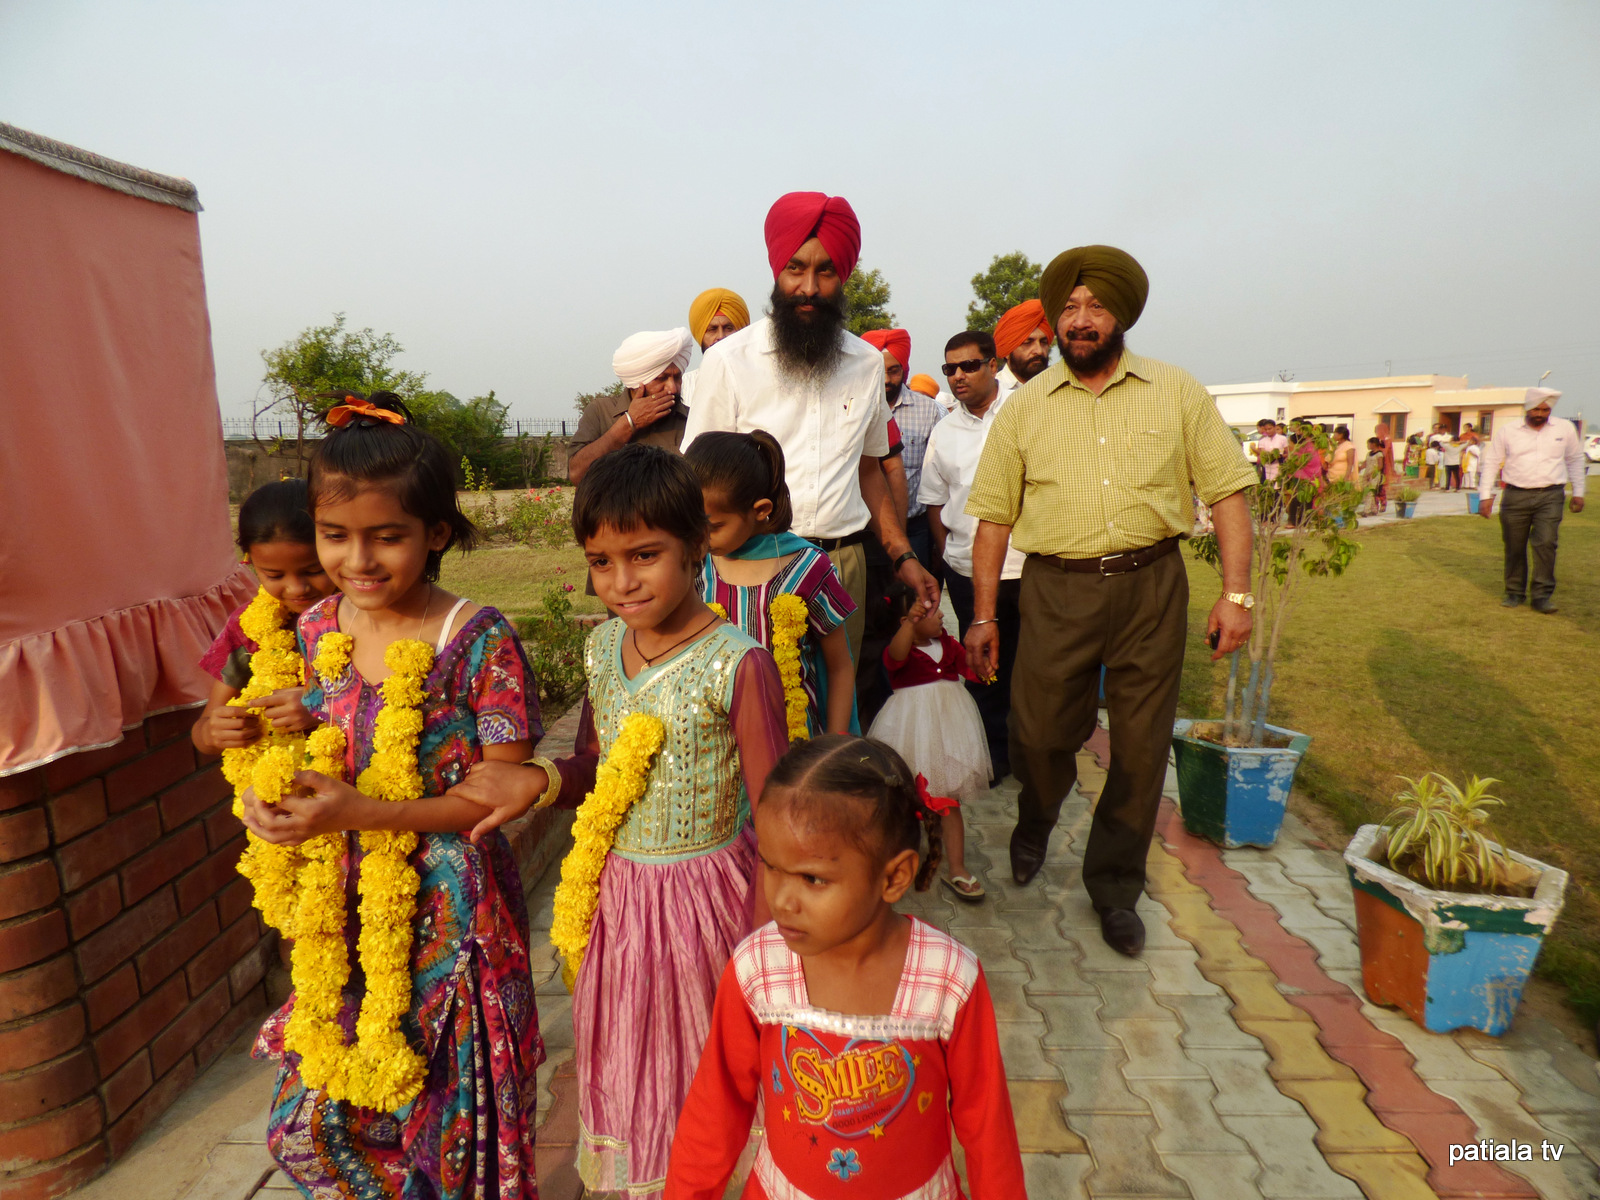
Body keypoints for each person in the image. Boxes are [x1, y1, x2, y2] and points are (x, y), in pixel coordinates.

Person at [241, 393, 545, 1199]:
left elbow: (496, 795)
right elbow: (317, 741)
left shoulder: (477, 640)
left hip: (452, 920)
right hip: (345, 909)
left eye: (386, 536)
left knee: (449, 1136)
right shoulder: (318, 629)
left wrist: (363, 813)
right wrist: (269, 804)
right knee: (308, 1130)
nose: (359, 560)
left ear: (435, 533)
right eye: (335, 535)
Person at [506, 443, 791, 1193]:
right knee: (629, 1051)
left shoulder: (738, 663)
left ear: (696, 547)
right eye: (601, 562)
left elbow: (778, 816)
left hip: (708, 906)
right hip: (621, 902)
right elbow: (595, 766)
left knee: (704, 1055)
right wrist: (536, 780)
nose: (622, 582)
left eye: (644, 556)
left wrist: (769, 948)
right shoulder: (603, 648)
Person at [963, 245, 1257, 957]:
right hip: (1055, 590)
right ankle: (1037, 816)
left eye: (1096, 306)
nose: (1081, 319)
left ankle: (1116, 886)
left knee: (1140, 748)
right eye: (1069, 307)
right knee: (1038, 736)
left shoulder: (1176, 391)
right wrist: (983, 615)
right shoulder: (1025, 409)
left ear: (1121, 314)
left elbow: (1226, 492)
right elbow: (993, 519)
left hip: (1151, 588)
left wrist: (1237, 595)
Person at [663, 736, 1026, 1199]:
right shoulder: (756, 968)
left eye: (813, 878)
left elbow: (988, 1129)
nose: (782, 900)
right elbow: (714, 1112)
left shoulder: (949, 981)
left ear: (893, 877)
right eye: (771, 866)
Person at [683, 191, 940, 671]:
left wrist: (903, 555)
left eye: (826, 271)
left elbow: (869, 471)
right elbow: (694, 480)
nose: (809, 287)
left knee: (839, 698)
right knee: (753, 701)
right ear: (776, 272)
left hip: (843, 566)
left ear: (843, 277)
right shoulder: (729, 361)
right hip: (751, 566)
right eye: (795, 268)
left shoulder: (866, 363)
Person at [687, 429, 858, 736]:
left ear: (761, 510)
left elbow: (839, 667)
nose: (700, 538)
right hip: (717, 743)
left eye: (714, 527)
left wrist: (833, 744)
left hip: (795, 743)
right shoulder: (696, 567)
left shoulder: (807, 568)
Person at [921, 329, 1025, 782]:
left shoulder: (1024, 412)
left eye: (968, 366)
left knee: (1031, 666)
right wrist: (949, 556)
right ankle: (993, 757)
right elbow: (934, 501)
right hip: (967, 570)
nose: (958, 376)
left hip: (1028, 565)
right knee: (983, 667)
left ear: (993, 365)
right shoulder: (944, 431)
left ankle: (1032, 756)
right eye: (950, 368)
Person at [193, 478, 335, 756]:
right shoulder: (248, 628)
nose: (296, 588)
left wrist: (322, 707)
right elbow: (203, 732)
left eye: (314, 570)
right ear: (250, 562)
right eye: (274, 575)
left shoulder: (369, 617)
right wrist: (213, 732)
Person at [869, 583, 990, 900]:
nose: (941, 616)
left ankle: (957, 867)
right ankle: (891, 860)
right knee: (901, 798)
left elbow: (968, 668)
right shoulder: (901, 650)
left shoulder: (946, 642)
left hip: (947, 732)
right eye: (931, 612)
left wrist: (984, 666)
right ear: (907, 621)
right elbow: (895, 655)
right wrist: (910, 624)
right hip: (910, 731)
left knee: (949, 800)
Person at [1479, 387, 1586, 614]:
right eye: (1536, 409)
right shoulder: (1508, 431)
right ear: (1527, 408)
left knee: (1546, 543)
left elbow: (1575, 460)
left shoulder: (1564, 429)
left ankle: (1541, 596)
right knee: (1514, 545)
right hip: (1515, 496)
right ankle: (1514, 592)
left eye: (1545, 410)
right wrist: (1485, 495)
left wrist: (1579, 491)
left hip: (1550, 495)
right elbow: (1492, 462)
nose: (1540, 414)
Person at [569, 327, 696, 484]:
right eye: (661, 378)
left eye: (677, 378)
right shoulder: (600, 412)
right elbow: (577, 474)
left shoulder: (692, 419)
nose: (673, 388)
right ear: (636, 382)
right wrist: (630, 422)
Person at [863, 327, 945, 566]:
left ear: (904, 369)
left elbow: (939, 476)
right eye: (880, 371)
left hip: (915, 528)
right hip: (862, 529)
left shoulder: (928, 410)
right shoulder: (854, 408)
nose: (886, 380)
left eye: (894, 371)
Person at [683, 288, 751, 406]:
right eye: (712, 329)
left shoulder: (759, 381)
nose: (721, 336)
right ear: (700, 335)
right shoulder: (684, 387)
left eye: (728, 328)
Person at [992, 298, 1053, 396]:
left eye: (1043, 342)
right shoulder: (992, 392)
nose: (1039, 351)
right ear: (1007, 352)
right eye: (1027, 343)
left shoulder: (1057, 387)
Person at [1360, 436, 1388, 515]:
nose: (1367, 446)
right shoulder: (1369, 454)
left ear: (1373, 444)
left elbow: (1380, 466)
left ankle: (1366, 510)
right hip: (1367, 474)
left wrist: (1372, 473)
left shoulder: (1379, 454)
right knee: (1366, 492)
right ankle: (1374, 509)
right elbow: (1366, 462)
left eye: (1368, 444)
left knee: (1371, 492)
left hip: (1374, 475)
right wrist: (1360, 468)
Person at [1255, 418, 1289, 483]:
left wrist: (1281, 456)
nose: (1268, 431)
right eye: (1266, 429)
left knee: (1279, 483)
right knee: (1269, 483)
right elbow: (1263, 454)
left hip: (1280, 465)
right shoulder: (1262, 441)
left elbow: (1287, 452)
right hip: (1268, 467)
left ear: (1274, 427)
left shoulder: (1282, 438)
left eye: (1270, 429)